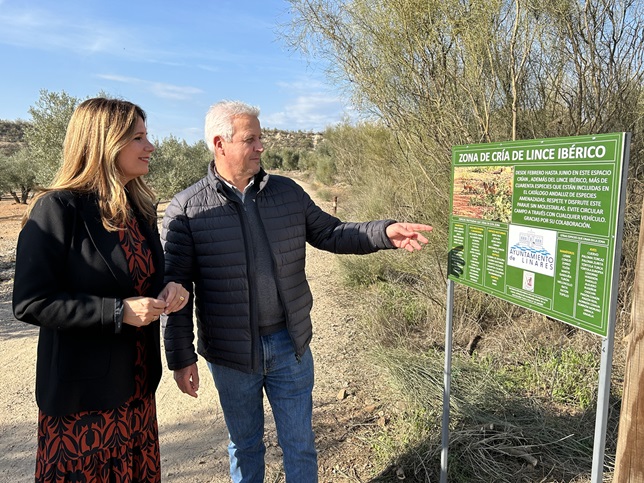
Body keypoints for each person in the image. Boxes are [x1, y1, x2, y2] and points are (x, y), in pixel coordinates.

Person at [161, 99, 432, 483]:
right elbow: (176, 288)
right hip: (230, 354)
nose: (261, 147)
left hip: (290, 345)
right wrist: (180, 356)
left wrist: (383, 232)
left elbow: (331, 233)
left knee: (300, 442)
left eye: (261, 138)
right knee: (245, 445)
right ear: (221, 144)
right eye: (251, 139)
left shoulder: (287, 193)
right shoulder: (187, 208)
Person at [12, 97, 190, 482]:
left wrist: (170, 288)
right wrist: (117, 312)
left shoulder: (138, 209)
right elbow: (30, 302)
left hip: (137, 393)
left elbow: (144, 279)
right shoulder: (56, 210)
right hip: (83, 405)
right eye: (139, 138)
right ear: (106, 144)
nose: (150, 147)